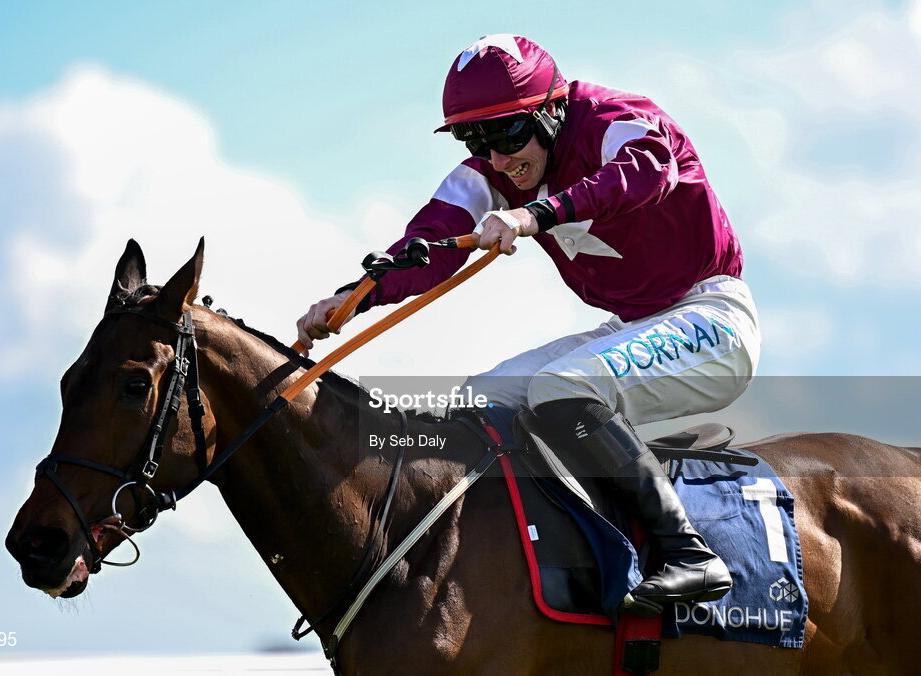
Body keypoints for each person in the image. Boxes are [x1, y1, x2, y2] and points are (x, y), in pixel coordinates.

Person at [296, 34, 760, 609]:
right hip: (635, 325)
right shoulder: (492, 174)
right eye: (476, 139)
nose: (497, 159)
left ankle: (688, 555)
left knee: (560, 388)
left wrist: (536, 213)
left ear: (554, 108)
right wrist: (353, 296)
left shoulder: (616, 117)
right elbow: (427, 244)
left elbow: (647, 171)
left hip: (712, 318)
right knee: (478, 401)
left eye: (509, 134)